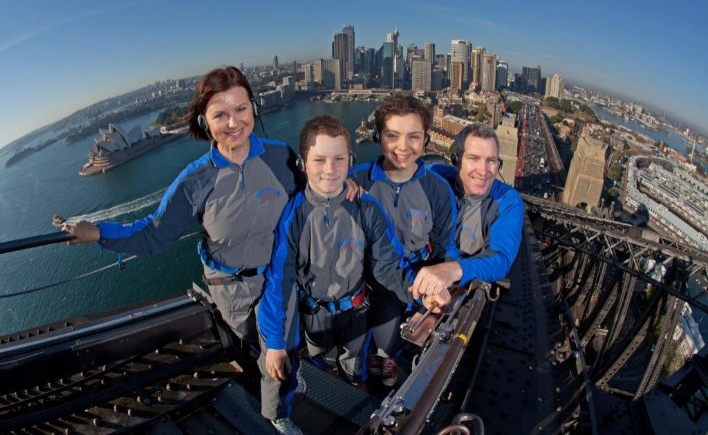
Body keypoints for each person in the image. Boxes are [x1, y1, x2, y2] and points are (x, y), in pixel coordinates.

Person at [62, 66, 305, 434]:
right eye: (220, 114)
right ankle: (279, 393)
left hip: (280, 278)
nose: (234, 122)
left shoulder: (281, 157)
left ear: (254, 108)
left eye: (241, 109)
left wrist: (349, 184)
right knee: (266, 346)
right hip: (232, 287)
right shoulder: (195, 179)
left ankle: (277, 405)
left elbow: (313, 200)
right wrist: (99, 232)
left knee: (282, 344)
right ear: (205, 122)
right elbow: (155, 232)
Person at [258, 115, 446, 424]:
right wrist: (276, 344)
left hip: (357, 313)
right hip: (315, 316)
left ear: (350, 162)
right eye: (319, 160)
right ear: (303, 164)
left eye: (339, 159)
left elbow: (388, 264)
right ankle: (334, 393)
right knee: (323, 361)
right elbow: (279, 282)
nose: (330, 169)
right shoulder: (294, 216)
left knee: (353, 364)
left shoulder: (367, 207)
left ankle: (355, 396)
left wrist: (419, 293)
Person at [351, 94, 458, 387]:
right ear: (378, 137)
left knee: (388, 343)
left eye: (413, 136)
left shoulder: (437, 190)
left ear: (425, 140)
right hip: (363, 277)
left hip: (411, 280)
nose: (402, 146)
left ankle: (384, 357)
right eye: (392, 135)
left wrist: (437, 286)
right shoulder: (357, 180)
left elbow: (445, 245)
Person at [410, 122, 525, 301]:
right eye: (474, 158)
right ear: (456, 161)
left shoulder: (507, 201)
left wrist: (455, 269)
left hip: (453, 289)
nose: (483, 171)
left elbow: (501, 259)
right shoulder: (432, 177)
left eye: (491, 161)